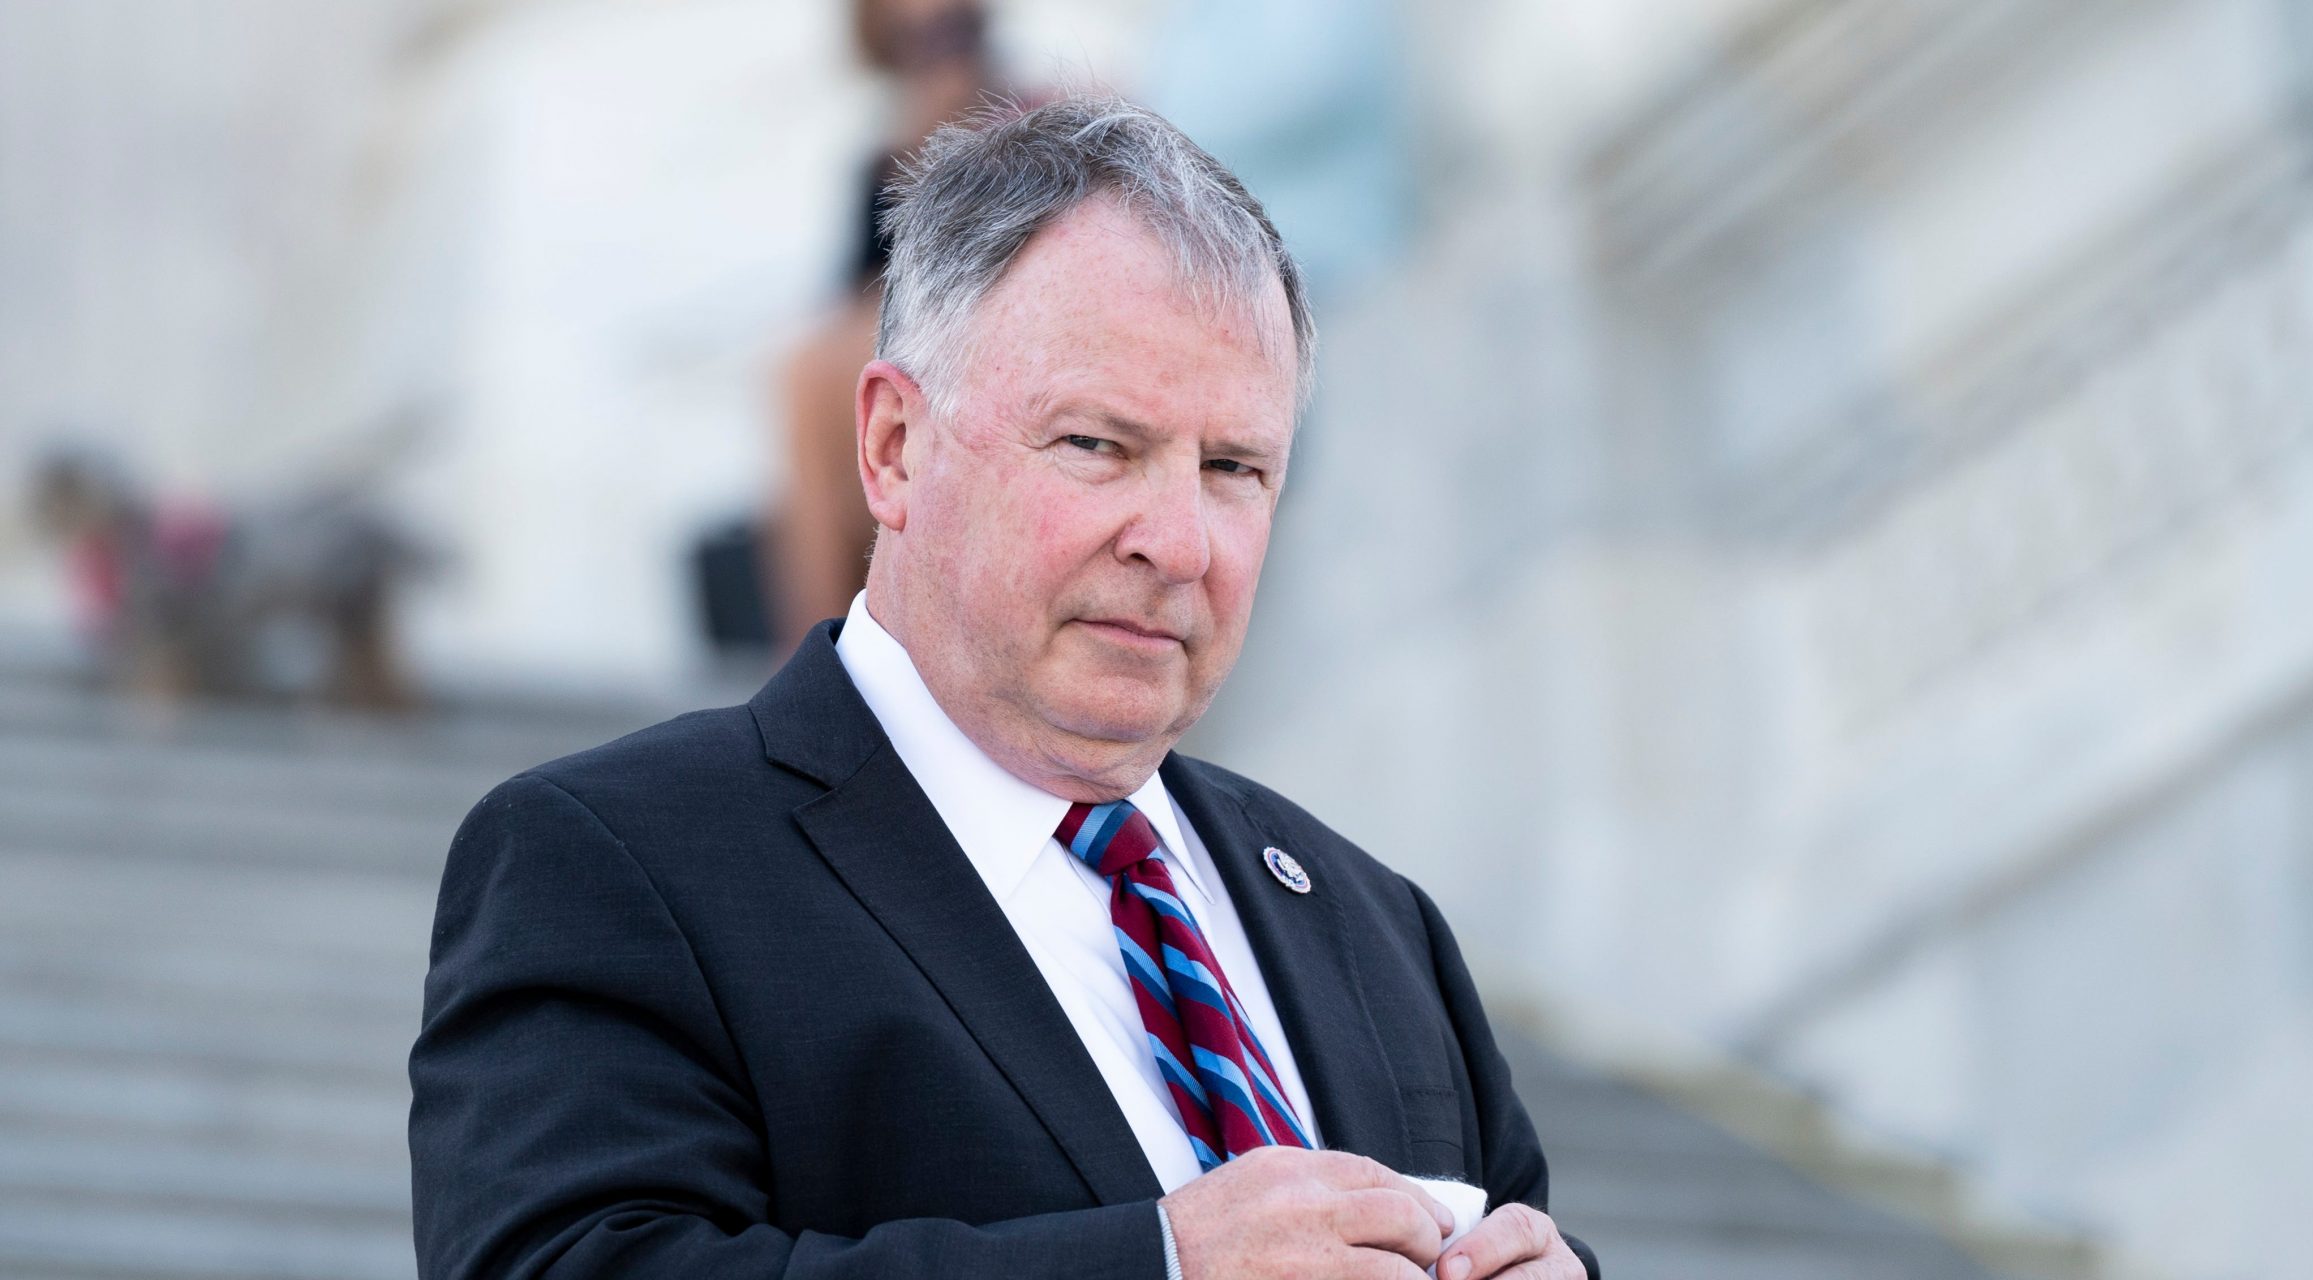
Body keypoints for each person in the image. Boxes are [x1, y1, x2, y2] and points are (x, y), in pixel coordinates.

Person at [409, 97, 1596, 1280]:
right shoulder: (616, 862)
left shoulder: (1374, 922)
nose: (1178, 542)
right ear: (892, 447)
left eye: (1234, 467)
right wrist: (1157, 1266)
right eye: (1097, 444)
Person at [766, 0, 1012, 649]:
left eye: (950, 34)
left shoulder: (1042, 131)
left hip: (980, 347)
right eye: (919, 42)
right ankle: (816, 645)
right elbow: (850, 295)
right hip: (892, 373)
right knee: (810, 378)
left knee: (818, 377)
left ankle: (814, 648)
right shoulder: (879, 160)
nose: (938, 59)